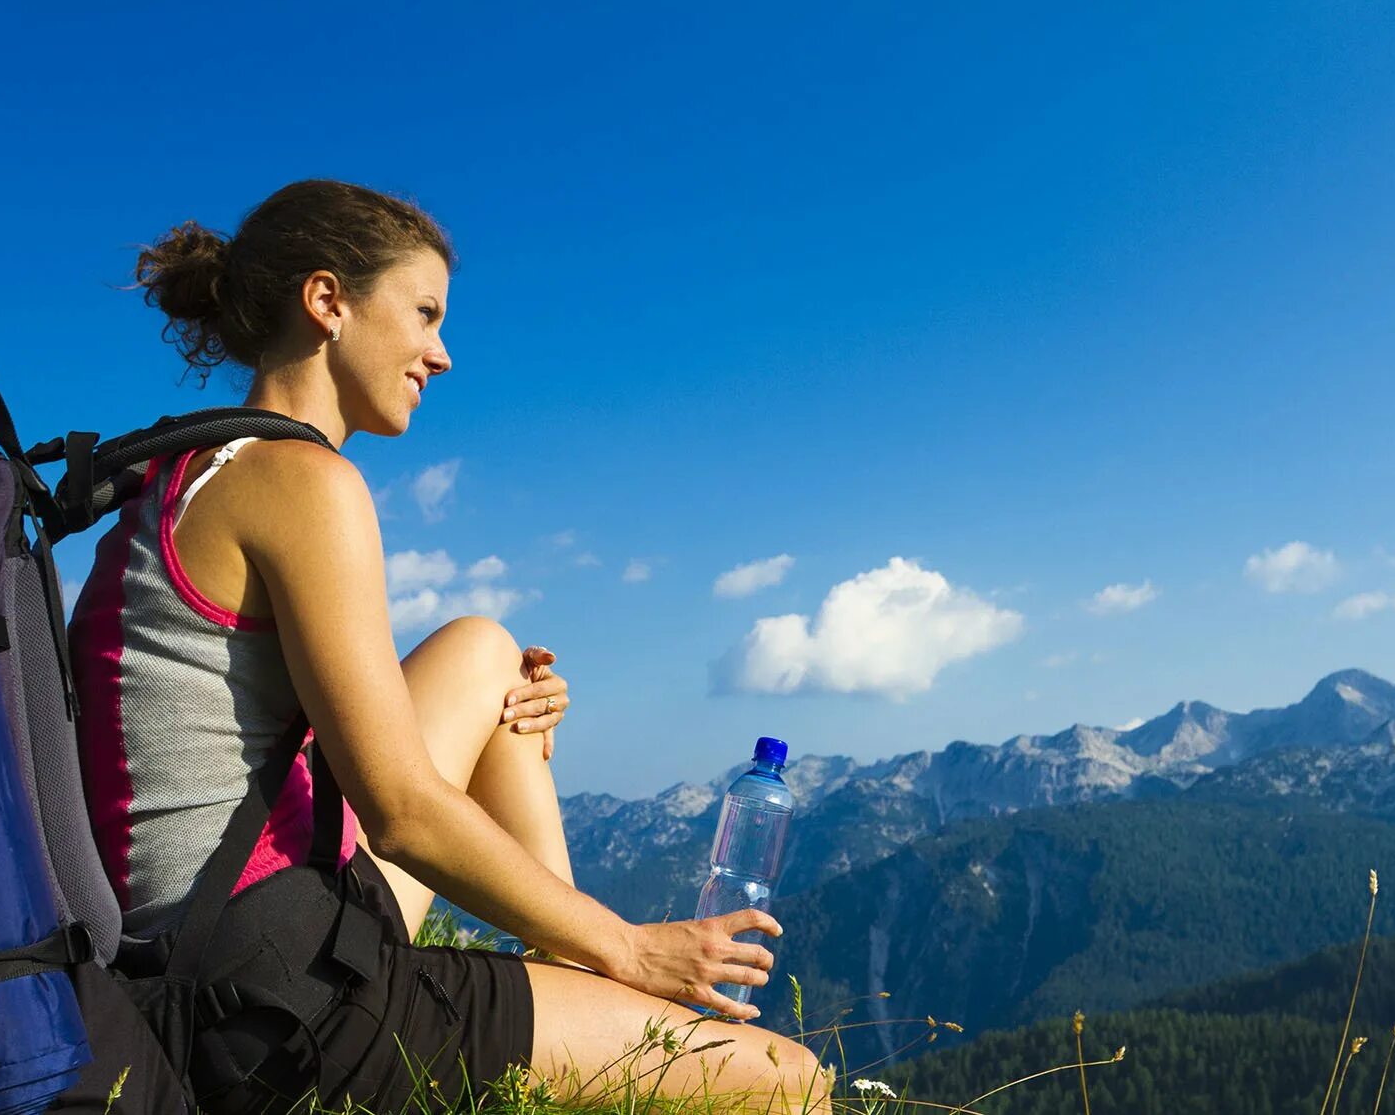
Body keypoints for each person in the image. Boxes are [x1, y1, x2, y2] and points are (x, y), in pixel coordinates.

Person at [68, 179, 832, 1114]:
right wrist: (633, 946)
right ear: (328, 302)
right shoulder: (302, 483)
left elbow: (218, 741)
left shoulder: (181, 472)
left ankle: (571, 975)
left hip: (214, 946)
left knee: (486, 654)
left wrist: (509, 705)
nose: (443, 353)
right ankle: (602, 969)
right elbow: (397, 812)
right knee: (789, 1085)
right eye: (424, 313)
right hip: (277, 1005)